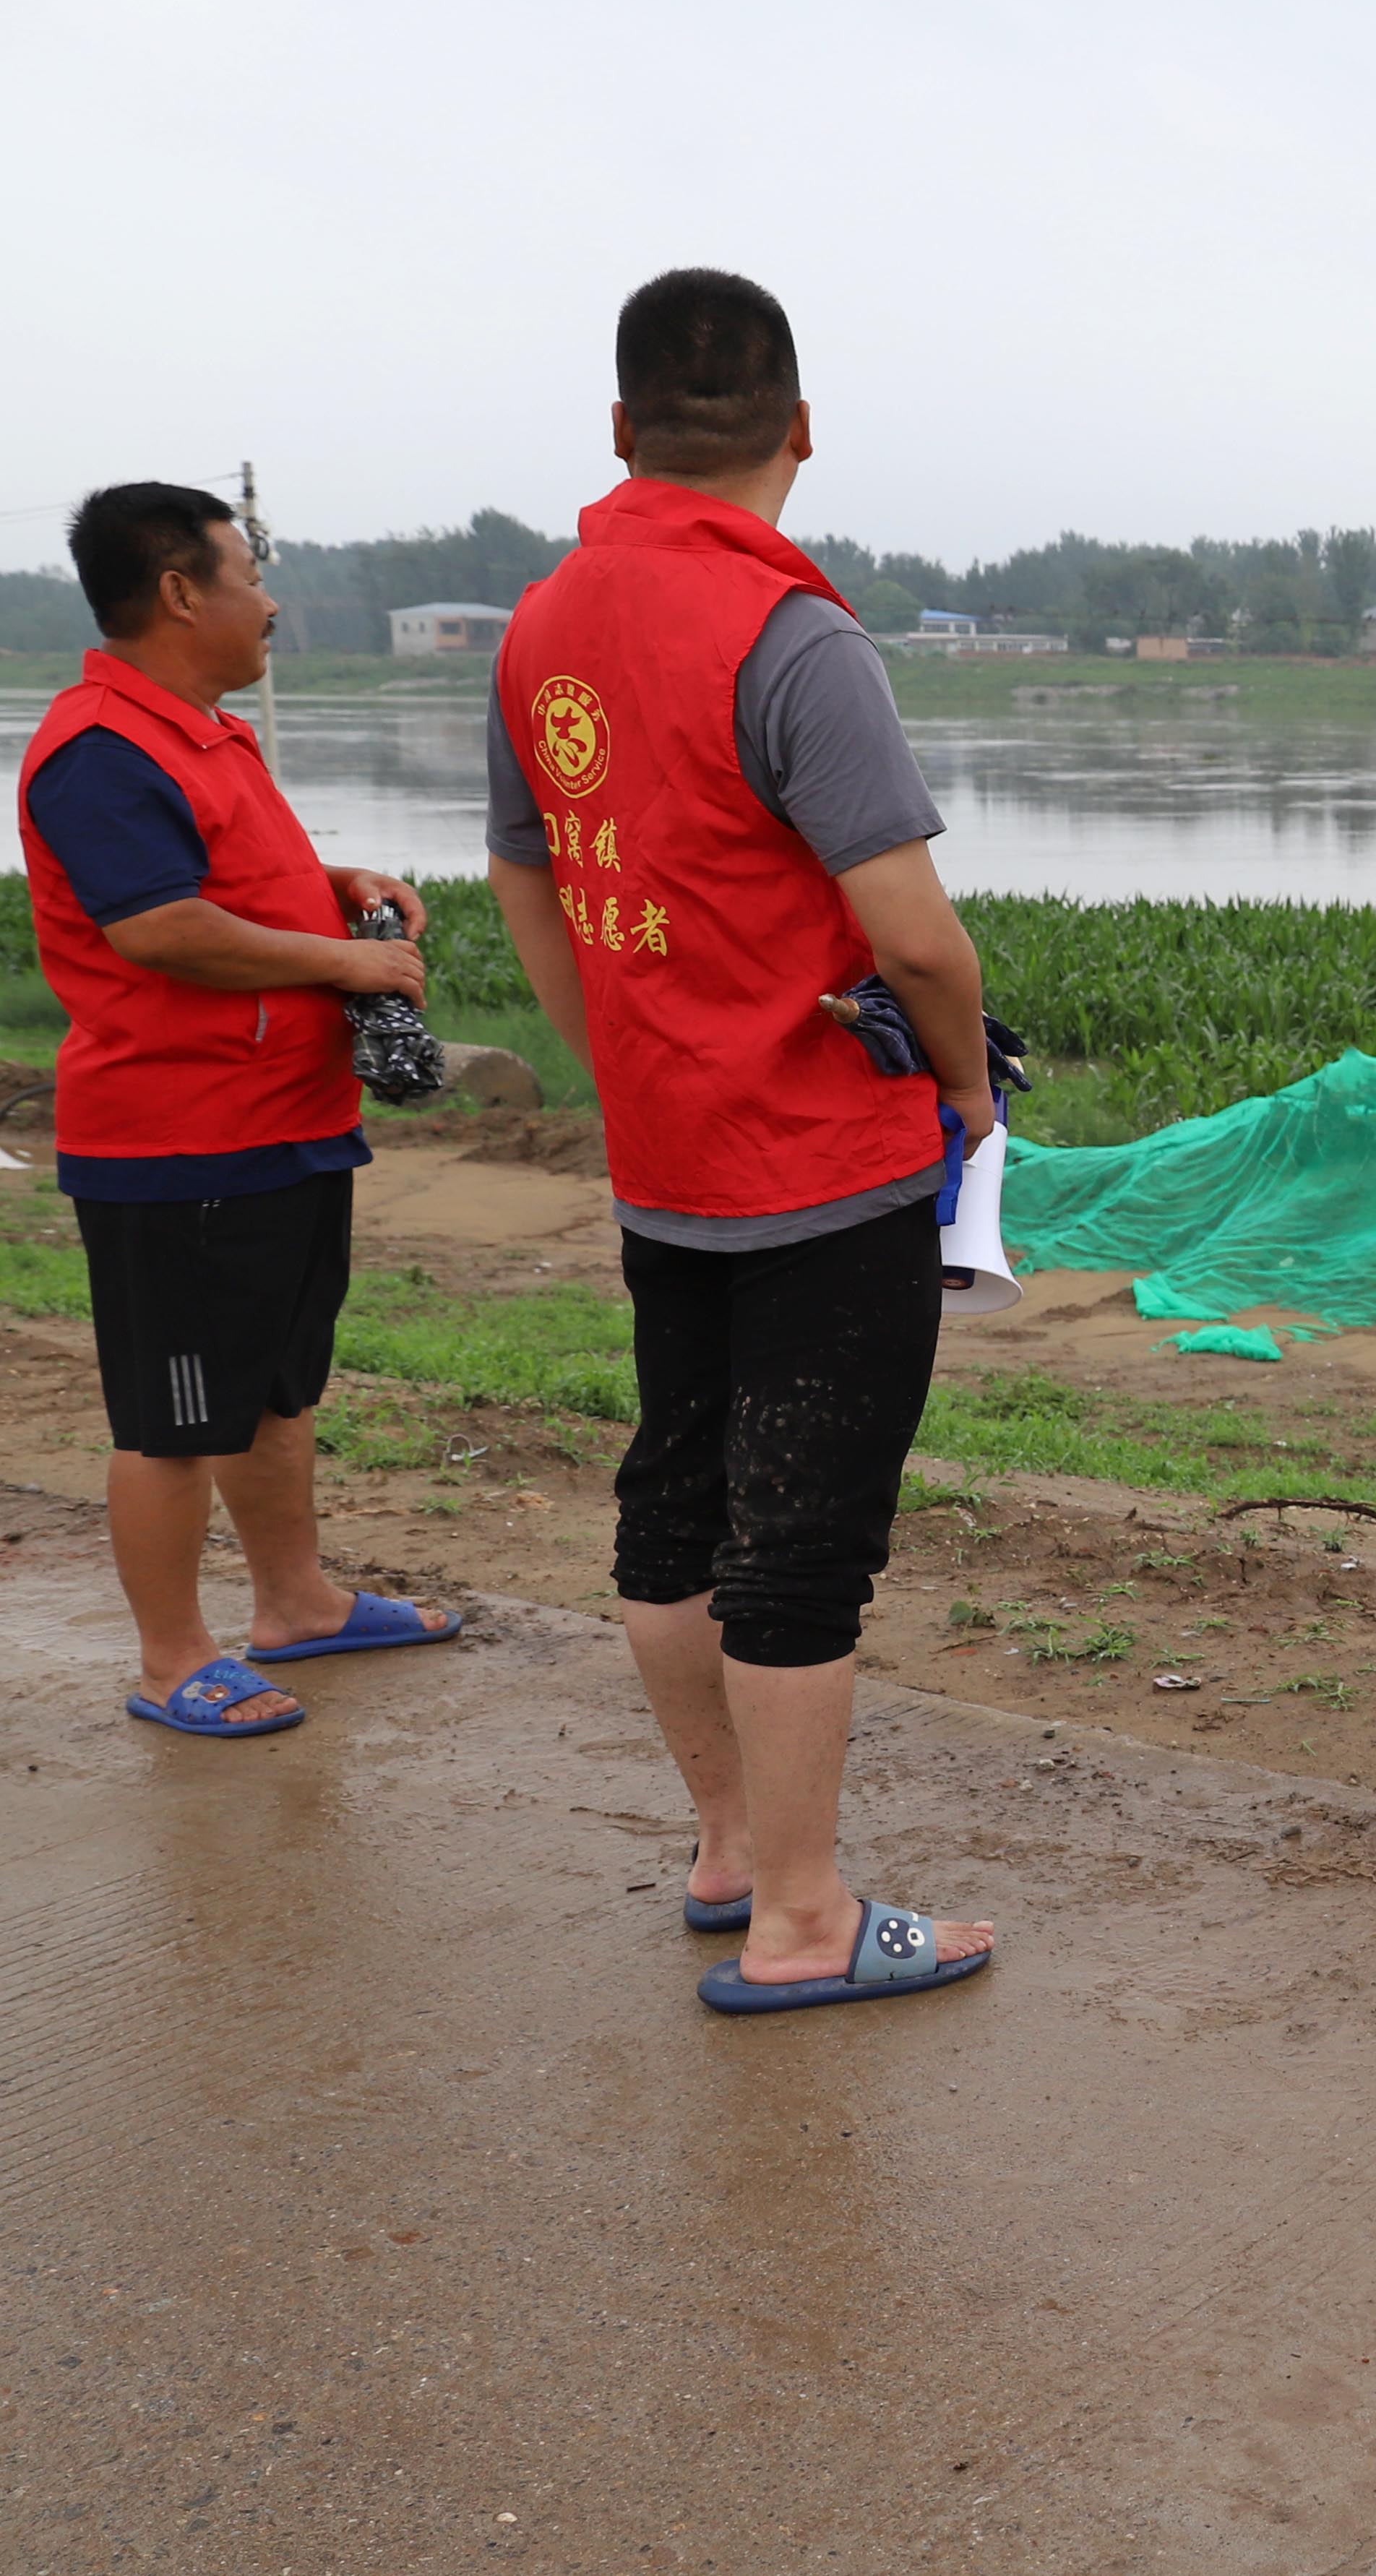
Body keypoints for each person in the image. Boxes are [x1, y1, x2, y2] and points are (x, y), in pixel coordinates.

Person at [486, 267, 998, 2015]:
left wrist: (612, 1055)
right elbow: (916, 936)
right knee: (803, 1535)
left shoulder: (541, 623)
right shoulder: (796, 638)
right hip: (819, 1168)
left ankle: (725, 1851)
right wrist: (969, 1093)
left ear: (622, 433)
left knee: (676, 1500)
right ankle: (803, 1920)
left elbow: (525, 876)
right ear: (799, 431)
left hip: (667, 1160)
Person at [19, 482, 458, 1737]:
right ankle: (172, 1658)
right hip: (177, 1140)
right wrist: (344, 963)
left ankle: (299, 1603)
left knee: (275, 1388)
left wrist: (333, 885)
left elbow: (221, 873)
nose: (268, 603)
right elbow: (159, 925)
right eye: (249, 575)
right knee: (171, 1419)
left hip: (285, 1119)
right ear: (179, 593)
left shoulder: (203, 730)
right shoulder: (99, 747)